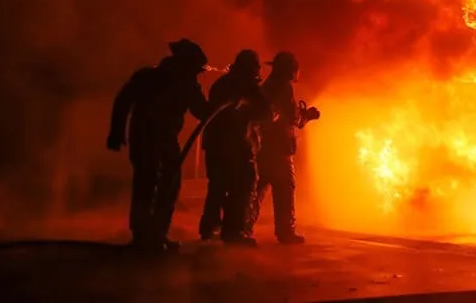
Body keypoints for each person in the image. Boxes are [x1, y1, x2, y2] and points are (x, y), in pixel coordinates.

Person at [107, 38, 209, 253]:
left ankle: (146, 235)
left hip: (141, 137)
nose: (198, 74)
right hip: (161, 139)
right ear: (188, 64)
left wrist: (117, 132)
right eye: (197, 70)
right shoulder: (184, 81)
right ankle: (154, 235)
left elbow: (123, 101)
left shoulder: (147, 76)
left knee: (145, 183)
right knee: (166, 185)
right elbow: (202, 111)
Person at [195, 49, 270, 245]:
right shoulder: (248, 86)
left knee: (218, 186)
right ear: (252, 68)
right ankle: (233, 231)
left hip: (216, 146)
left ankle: (208, 226)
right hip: (238, 147)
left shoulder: (222, 83)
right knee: (243, 186)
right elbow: (265, 112)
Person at [248, 51, 319, 244]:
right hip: (279, 149)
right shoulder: (284, 88)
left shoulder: (266, 86)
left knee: (257, 190)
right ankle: (286, 231)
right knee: (285, 190)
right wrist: (307, 116)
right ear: (290, 71)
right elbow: (291, 116)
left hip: (263, 147)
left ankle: (243, 228)